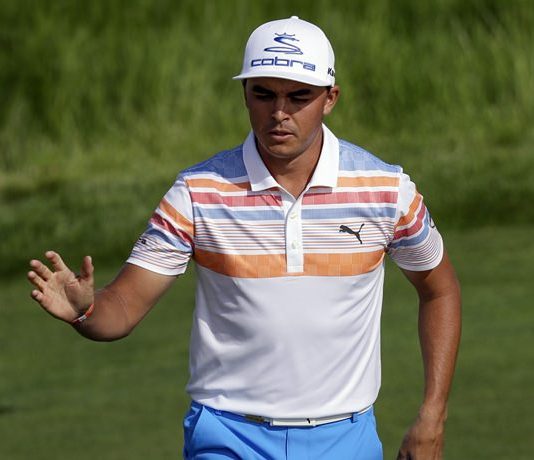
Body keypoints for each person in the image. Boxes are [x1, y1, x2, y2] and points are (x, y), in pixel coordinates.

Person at [27, 16, 461, 460]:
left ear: (330, 98)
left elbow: (439, 289)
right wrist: (86, 311)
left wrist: (433, 414)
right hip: (228, 437)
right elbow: (123, 305)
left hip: (345, 439)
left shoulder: (386, 190)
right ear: (245, 94)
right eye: (264, 94)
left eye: (299, 96)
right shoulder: (198, 192)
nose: (279, 112)